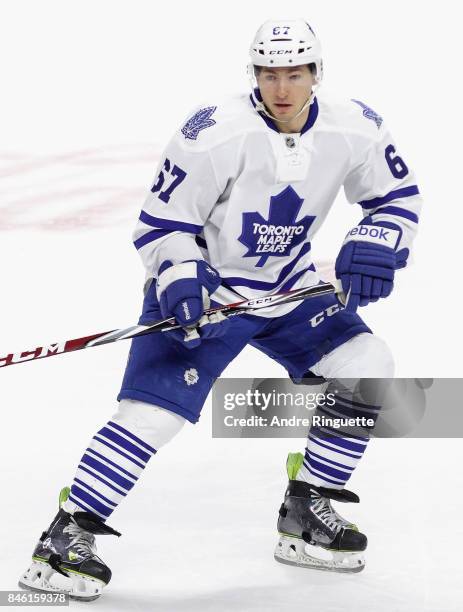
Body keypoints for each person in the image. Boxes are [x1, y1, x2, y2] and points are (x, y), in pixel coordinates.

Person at [19, 19, 421, 599]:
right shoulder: (211, 133)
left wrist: (379, 239)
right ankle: (65, 539)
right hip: (208, 295)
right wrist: (180, 272)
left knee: (366, 362)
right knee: (153, 414)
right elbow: (163, 222)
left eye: (295, 73)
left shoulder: (355, 127)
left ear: (316, 74)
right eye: (268, 73)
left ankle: (308, 511)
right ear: (253, 75)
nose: (281, 87)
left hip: (289, 289)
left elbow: (396, 197)